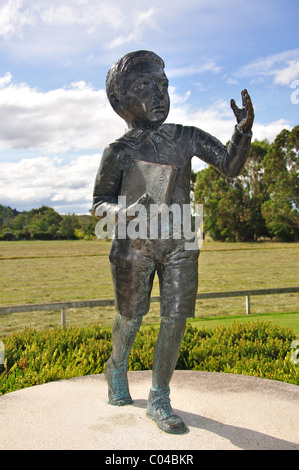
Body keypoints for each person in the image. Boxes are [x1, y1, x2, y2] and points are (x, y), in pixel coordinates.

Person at [92, 50, 254, 434]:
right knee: (130, 319)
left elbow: (230, 166)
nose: (159, 94)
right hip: (133, 245)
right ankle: (116, 365)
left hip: (181, 241)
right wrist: (125, 212)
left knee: (175, 318)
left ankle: (159, 396)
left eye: (163, 85)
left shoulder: (187, 137)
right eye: (145, 86)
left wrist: (243, 133)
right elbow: (99, 206)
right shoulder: (118, 151)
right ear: (120, 102)